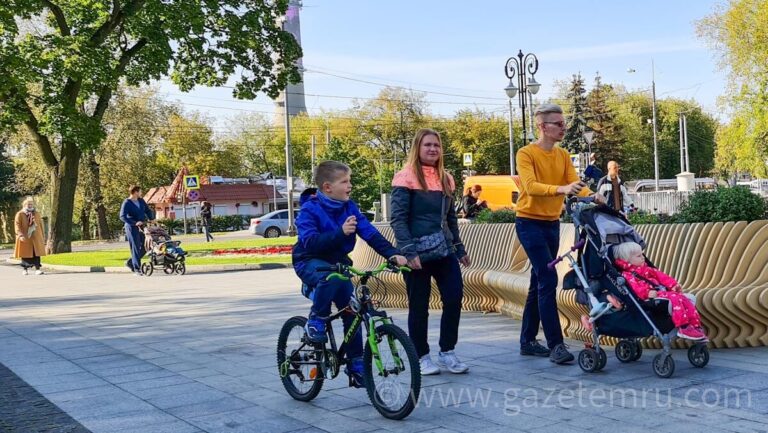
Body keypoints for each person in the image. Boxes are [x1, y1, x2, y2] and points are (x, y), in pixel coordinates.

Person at [292, 161, 407, 388]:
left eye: (349, 181)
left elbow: (370, 234)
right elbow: (310, 242)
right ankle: (316, 320)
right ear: (327, 187)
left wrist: (392, 254)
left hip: (338, 263)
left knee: (352, 312)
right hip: (309, 261)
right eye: (345, 181)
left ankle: (355, 366)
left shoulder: (349, 207)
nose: (350, 185)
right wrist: (340, 232)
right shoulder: (309, 210)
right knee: (328, 278)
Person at [515, 104, 606, 365]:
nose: (563, 128)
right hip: (528, 223)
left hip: (551, 224)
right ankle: (556, 344)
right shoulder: (526, 154)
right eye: (558, 124)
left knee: (538, 281)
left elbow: (574, 185)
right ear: (543, 127)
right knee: (547, 277)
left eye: (563, 123)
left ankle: (527, 341)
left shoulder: (563, 155)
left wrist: (594, 196)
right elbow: (531, 187)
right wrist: (562, 188)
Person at [390, 128, 471, 375]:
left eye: (436, 145)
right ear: (417, 147)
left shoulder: (446, 179)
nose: (433, 149)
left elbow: (450, 219)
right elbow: (398, 219)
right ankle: (421, 356)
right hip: (415, 254)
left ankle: (447, 352)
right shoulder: (405, 177)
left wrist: (459, 248)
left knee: (454, 298)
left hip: (444, 250)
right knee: (419, 305)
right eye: (427, 145)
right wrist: (409, 251)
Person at [613, 241, 707, 340]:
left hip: (660, 292)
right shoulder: (627, 275)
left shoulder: (646, 269)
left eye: (642, 254)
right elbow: (634, 288)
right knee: (675, 298)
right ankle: (683, 326)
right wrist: (647, 292)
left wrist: (673, 285)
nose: (643, 257)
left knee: (685, 298)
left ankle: (695, 325)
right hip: (648, 298)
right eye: (638, 256)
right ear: (627, 260)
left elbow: (662, 277)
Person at [120, 185, 152, 276]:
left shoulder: (141, 200)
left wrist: (152, 218)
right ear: (135, 192)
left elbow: (147, 210)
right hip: (131, 227)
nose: (141, 193)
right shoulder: (127, 202)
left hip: (142, 226)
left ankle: (130, 262)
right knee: (136, 247)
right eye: (140, 191)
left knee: (147, 245)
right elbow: (122, 216)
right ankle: (137, 269)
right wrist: (134, 223)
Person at [14, 197, 46, 275]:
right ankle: (25, 269)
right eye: (28, 204)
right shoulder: (20, 214)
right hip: (25, 237)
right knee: (25, 253)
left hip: (36, 237)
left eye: (31, 204)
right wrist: (20, 235)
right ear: (24, 205)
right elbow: (17, 225)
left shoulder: (36, 213)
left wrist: (42, 236)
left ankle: (37, 269)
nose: (30, 206)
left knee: (36, 253)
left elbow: (41, 225)